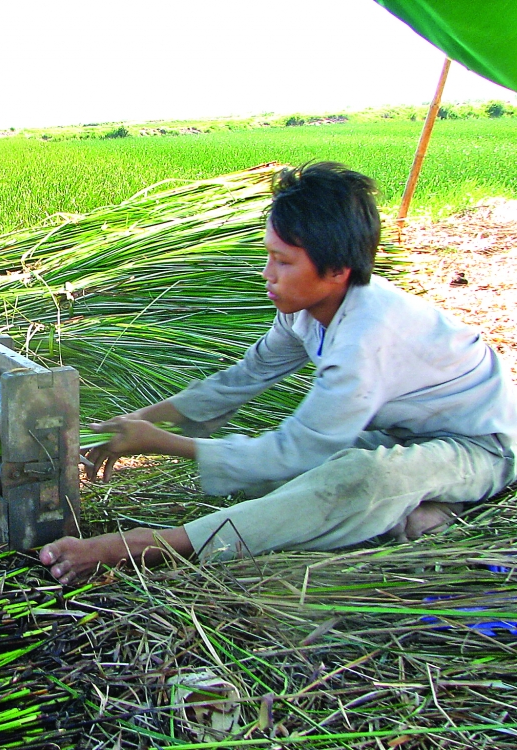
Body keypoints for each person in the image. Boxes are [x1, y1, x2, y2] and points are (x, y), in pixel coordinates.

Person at [40, 161, 517, 584]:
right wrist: (126, 427)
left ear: (338, 270)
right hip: (403, 434)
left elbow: (294, 450)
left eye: (282, 261)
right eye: (268, 254)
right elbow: (237, 382)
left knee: (356, 479)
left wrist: (160, 442)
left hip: (480, 444)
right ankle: (415, 513)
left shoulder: (367, 337)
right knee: (277, 481)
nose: (266, 273)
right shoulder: (304, 310)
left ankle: (150, 546)